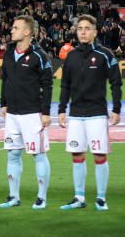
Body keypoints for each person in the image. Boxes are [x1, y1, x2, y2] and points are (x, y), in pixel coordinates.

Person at [58, 14, 121, 211]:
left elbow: (116, 83)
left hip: (96, 113)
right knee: (77, 154)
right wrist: (61, 109)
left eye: (87, 28)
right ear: (76, 32)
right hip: (76, 114)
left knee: (99, 155)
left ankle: (101, 198)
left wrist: (116, 109)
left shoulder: (105, 54)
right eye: (80, 29)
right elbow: (65, 85)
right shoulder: (71, 56)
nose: (83, 32)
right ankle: (79, 197)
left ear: (95, 32)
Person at [0, 15, 53, 210]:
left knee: (38, 154)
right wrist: (3, 103)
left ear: (27, 32)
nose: (11, 30)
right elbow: (5, 79)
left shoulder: (40, 56)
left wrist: (46, 112)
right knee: (13, 154)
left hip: (32, 113)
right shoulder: (9, 53)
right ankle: (14, 196)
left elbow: (47, 85)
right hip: (12, 113)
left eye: (15, 28)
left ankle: (41, 197)